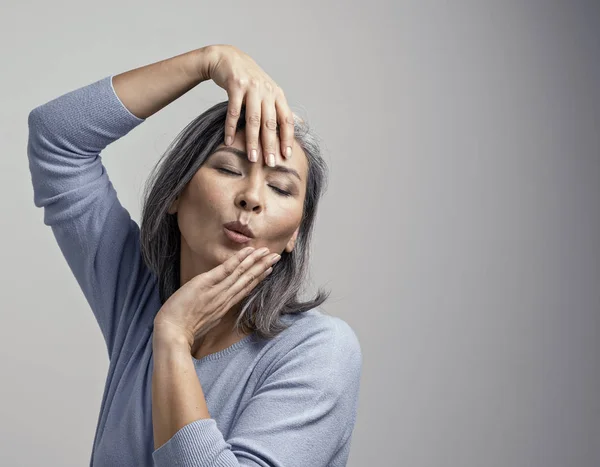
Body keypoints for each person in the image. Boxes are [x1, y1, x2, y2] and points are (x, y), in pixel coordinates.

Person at [27, 44, 362, 466]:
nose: (252, 198)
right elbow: (55, 137)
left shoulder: (319, 351)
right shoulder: (135, 300)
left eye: (280, 188)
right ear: (176, 194)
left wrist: (173, 338)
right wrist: (209, 61)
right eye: (227, 168)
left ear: (294, 232)